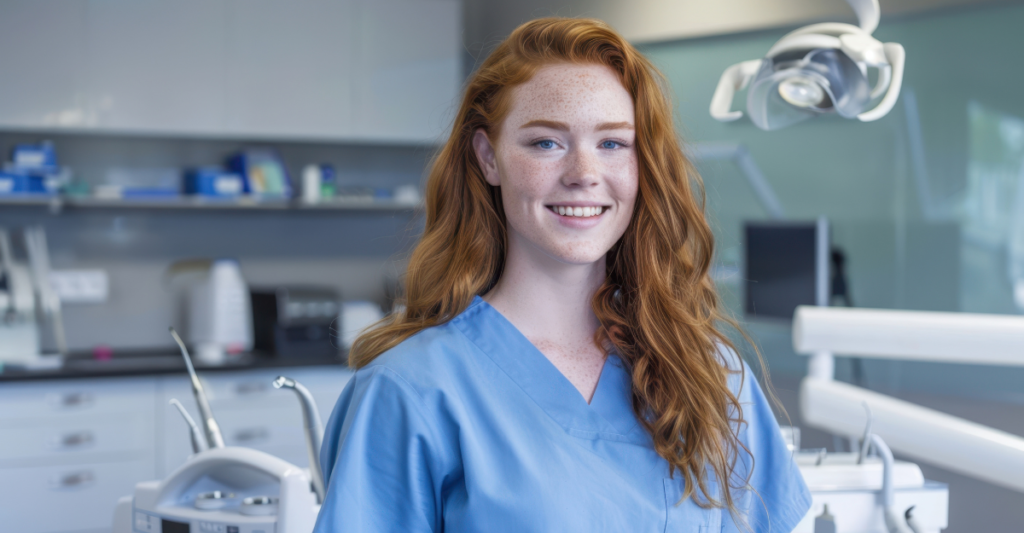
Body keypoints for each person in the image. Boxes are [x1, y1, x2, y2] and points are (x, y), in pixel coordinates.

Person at [314, 17, 810, 532]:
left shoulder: (711, 374)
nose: (583, 174)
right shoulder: (412, 390)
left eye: (613, 144)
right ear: (488, 158)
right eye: (546, 143)